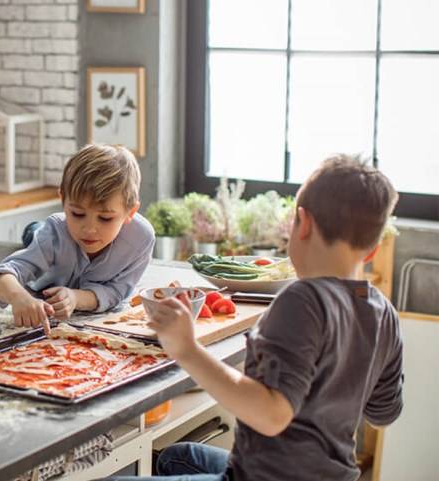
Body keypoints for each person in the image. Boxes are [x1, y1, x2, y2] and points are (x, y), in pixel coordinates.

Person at [127, 155, 403, 481]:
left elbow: (272, 416)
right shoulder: (383, 311)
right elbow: (384, 413)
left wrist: (186, 349)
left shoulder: (302, 300)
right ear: (372, 250)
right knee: (178, 457)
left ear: (303, 223)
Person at [0, 144, 156, 332]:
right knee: (36, 233)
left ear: (130, 212)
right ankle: (34, 230)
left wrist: (75, 297)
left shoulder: (141, 239)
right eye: (77, 214)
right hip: (50, 236)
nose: (89, 229)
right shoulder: (55, 232)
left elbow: (116, 292)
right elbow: (0, 276)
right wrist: (20, 297)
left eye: (105, 218)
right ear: (63, 200)